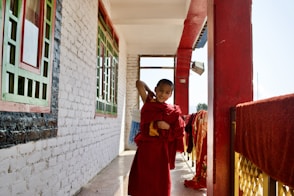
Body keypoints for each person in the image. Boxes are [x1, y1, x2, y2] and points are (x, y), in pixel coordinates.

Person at [128, 79, 185, 196]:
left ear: (170, 94)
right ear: (156, 89)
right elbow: (139, 83)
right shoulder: (148, 103)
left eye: (167, 92)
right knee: (143, 178)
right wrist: (149, 91)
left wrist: (167, 126)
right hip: (146, 149)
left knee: (160, 180)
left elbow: (179, 132)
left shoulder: (171, 111)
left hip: (161, 150)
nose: (163, 94)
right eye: (160, 90)